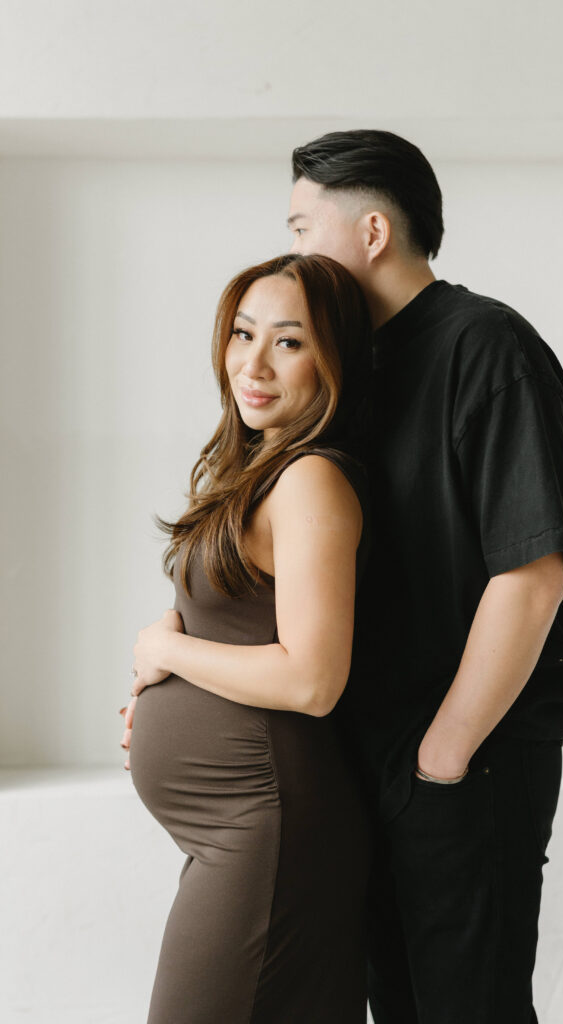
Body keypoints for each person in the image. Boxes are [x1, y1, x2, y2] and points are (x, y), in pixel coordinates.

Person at [283, 130, 563, 1023]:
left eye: (302, 226)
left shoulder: (485, 345)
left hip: (470, 758)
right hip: (377, 759)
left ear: (372, 231)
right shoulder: (353, 364)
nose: (292, 249)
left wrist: (442, 759)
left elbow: (532, 575)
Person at [119, 252, 375, 1023]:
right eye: (242, 333)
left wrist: (165, 653)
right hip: (240, 828)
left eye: (288, 341)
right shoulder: (263, 468)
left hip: (264, 826)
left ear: (333, 360)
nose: (252, 363)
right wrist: (169, 673)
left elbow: (312, 679)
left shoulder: (311, 479)